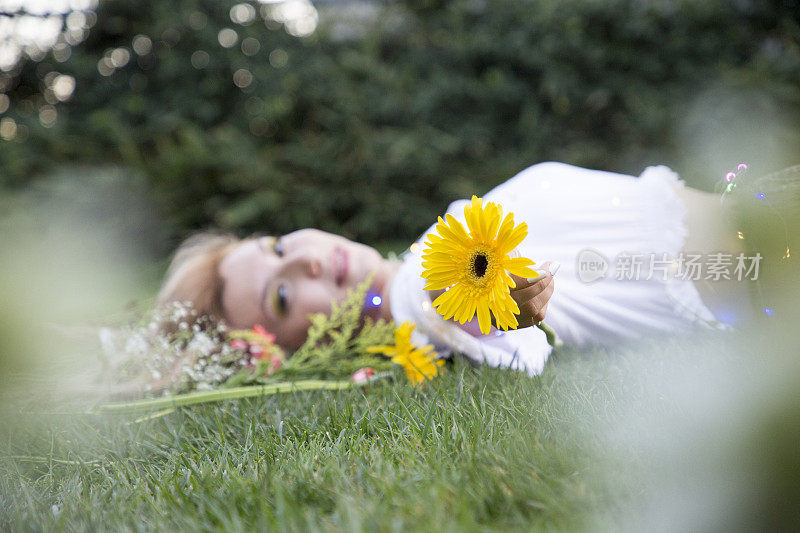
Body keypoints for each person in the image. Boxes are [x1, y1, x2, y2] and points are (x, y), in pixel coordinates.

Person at [157, 162, 795, 375]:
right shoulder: (422, 296)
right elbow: (460, 301)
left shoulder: (424, 261)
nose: (308, 257)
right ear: (297, 348)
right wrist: (491, 294)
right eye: (283, 294)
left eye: (275, 245)